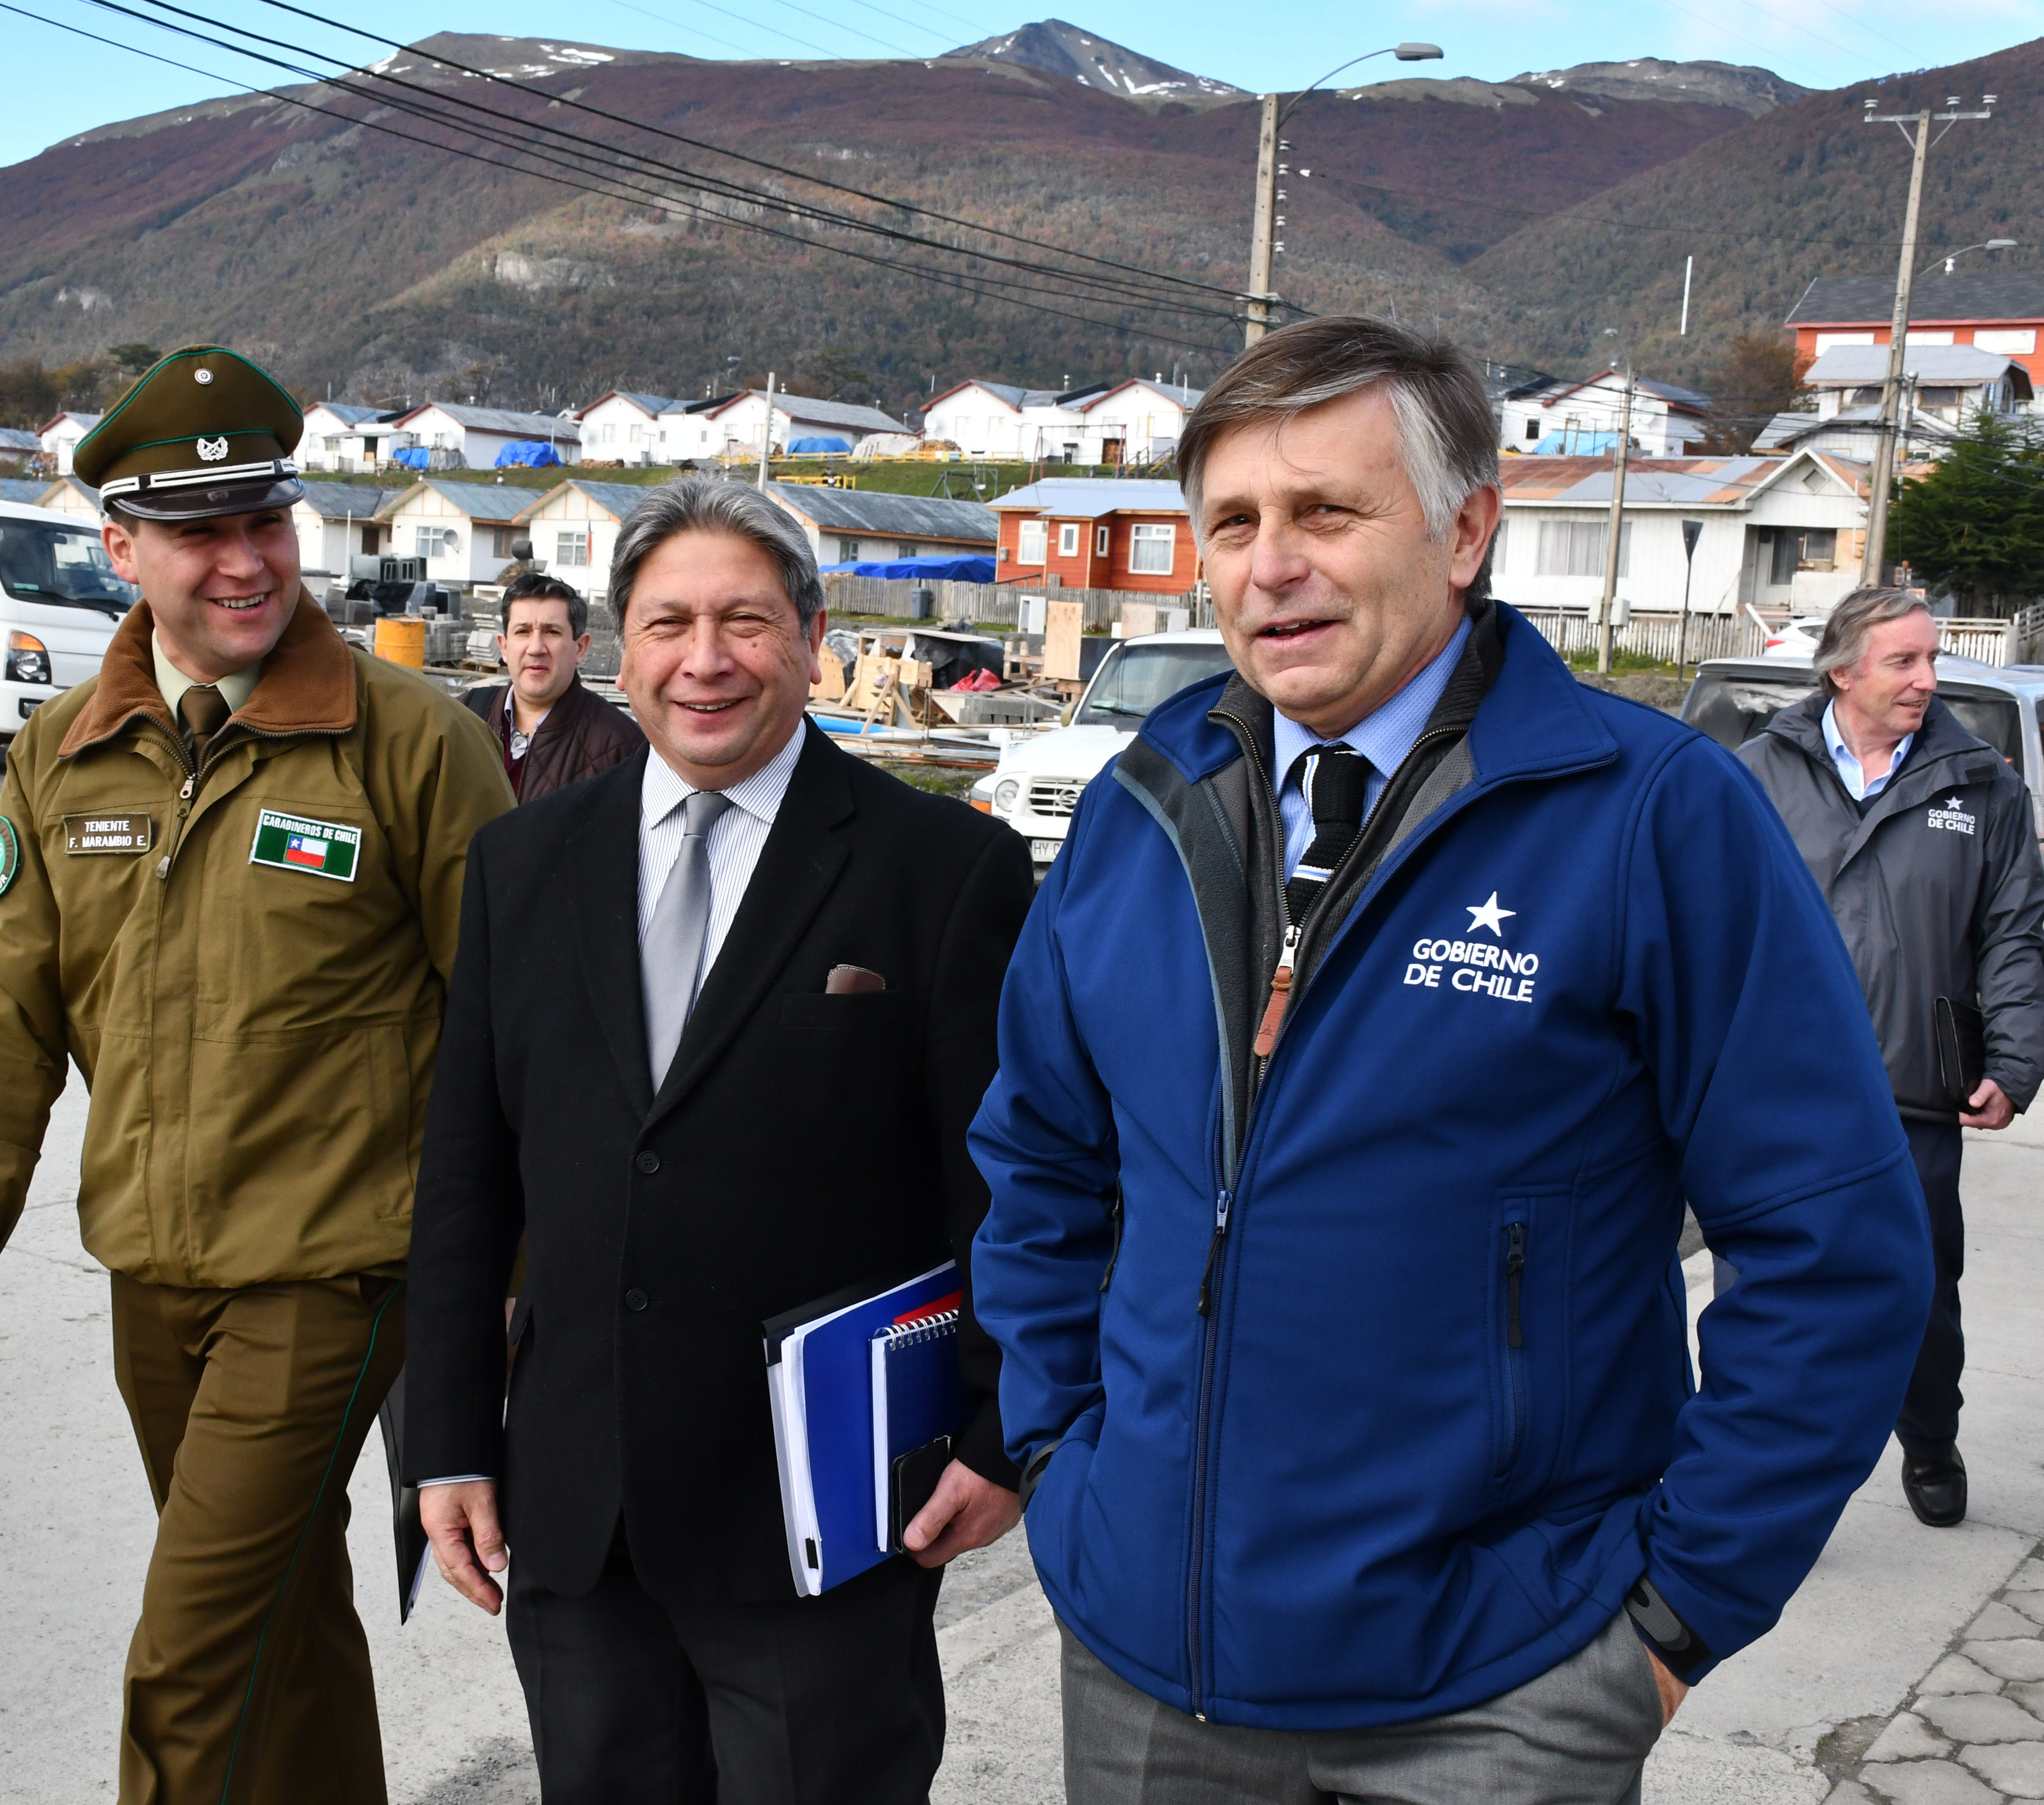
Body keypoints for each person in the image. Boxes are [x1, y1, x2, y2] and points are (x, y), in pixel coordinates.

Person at [966, 317, 1933, 1803]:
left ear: (1466, 529)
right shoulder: (1141, 807)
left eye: (1324, 512)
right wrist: (1060, 1461)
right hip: (1147, 1667)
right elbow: (1039, 1161)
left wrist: (1672, 1618)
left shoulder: (1649, 814)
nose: (1270, 566)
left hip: (1500, 1686)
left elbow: (1834, 1243)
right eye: (1233, 522)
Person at [0, 346, 512, 1805]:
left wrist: (511, 1293)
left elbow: (520, 1031)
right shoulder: (65, 754)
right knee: (278, 1620)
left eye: (265, 522)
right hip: (154, 1275)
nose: (245, 561)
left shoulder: (411, 745)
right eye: (199, 532)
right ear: (121, 550)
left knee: (190, 1659)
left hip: (334, 1275)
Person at [402, 476, 1035, 1804]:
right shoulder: (522, 865)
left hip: (824, 1514)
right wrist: (447, 1438)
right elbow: (465, 1176)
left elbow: (999, 1184)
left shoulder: (938, 868)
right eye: (668, 623)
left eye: (745, 622)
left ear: (812, 639)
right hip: (579, 1509)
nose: (706, 660)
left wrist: (999, 1434)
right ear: (621, 648)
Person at [1735, 586, 2044, 1529]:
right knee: (1771, 1292)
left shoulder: (1983, 785)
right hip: (1778, 1090)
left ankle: (1929, 1439)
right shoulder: (1754, 774)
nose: (1925, 679)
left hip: (1913, 1087)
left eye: (1929, 659)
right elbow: (1706, 920)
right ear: (1841, 671)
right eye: (1903, 660)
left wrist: (2014, 1060)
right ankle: (1765, 1474)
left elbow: (2013, 934)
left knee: (1916, 1287)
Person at [463, 571, 645, 800]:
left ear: (580, 648)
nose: (536, 648)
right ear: (504, 647)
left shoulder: (622, 747)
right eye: (523, 632)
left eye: (552, 632)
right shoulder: (466, 714)